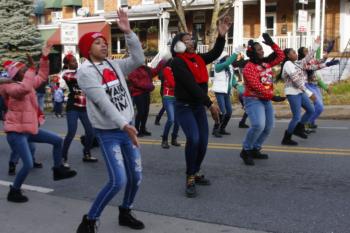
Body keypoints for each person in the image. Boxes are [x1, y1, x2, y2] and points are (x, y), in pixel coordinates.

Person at [76, 9, 145, 232]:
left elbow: (138, 59)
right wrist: (124, 125)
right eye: (98, 43)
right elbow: (103, 102)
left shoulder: (114, 65)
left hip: (128, 128)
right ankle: (90, 220)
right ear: (87, 49)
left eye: (104, 42)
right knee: (118, 181)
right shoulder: (85, 72)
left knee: (136, 177)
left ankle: (125, 211)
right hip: (110, 132)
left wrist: (128, 33)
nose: (104, 45)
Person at [0, 44, 77, 203]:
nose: (27, 70)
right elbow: (25, 88)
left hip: (29, 129)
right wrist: (31, 69)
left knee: (57, 140)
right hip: (16, 133)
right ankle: (14, 191)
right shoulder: (9, 87)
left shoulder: (24, 83)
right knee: (28, 164)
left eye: (25, 69)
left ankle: (57, 169)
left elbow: (42, 76)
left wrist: (44, 58)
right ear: (16, 74)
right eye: (23, 70)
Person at [170, 15, 232, 197]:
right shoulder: (177, 62)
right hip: (184, 107)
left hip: (198, 107)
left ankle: (196, 171)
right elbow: (191, 86)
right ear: (178, 45)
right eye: (186, 40)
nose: (191, 41)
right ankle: (190, 176)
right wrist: (210, 104)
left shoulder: (197, 58)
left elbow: (214, 54)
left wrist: (221, 36)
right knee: (194, 139)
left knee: (203, 142)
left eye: (191, 39)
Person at [240, 33, 285, 166]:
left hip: (265, 99)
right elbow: (257, 86)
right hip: (253, 99)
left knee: (269, 126)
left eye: (262, 48)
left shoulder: (266, 63)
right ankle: (246, 150)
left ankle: (255, 148)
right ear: (252, 52)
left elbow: (281, 56)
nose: (262, 50)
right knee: (258, 125)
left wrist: (272, 43)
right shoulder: (249, 68)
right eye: (259, 49)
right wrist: (273, 96)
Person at [61, 53, 98, 167]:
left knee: (91, 132)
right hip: (73, 106)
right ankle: (63, 157)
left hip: (84, 107)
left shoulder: (81, 71)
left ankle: (86, 153)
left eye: (76, 61)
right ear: (67, 64)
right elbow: (78, 77)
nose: (76, 63)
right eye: (72, 61)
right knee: (71, 133)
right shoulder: (66, 74)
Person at [297, 47, 339, 130]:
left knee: (318, 106)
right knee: (319, 107)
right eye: (306, 51)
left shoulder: (311, 60)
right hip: (307, 86)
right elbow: (315, 67)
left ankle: (310, 123)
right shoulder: (301, 63)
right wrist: (328, 64)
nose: (308, 52)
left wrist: (325, 58)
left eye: (308, 51)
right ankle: (305, 124)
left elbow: (319, 63)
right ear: (302, 54)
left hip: (315, 86)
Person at [128, 59, 165, 137]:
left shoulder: (145, 68)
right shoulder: (133, 69)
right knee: (141, 112)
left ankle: (142, 129)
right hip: (138, 93)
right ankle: (137, 130)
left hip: (146, 93)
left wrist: (161, 63)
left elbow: (155, 71)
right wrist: (148, 86)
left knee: (145, 112)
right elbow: (135, 82)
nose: (143, 60)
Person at [211, 51, 238, 137]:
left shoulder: (229, 66)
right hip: (220, 91)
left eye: (229, 56)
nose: (228, 57)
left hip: (227, 92)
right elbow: (227, 63)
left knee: (229, 112)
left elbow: (232, 78)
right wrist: (236, 53)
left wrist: (238, 86)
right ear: (222, 58)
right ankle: (215, 130)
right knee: (223, 112)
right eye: (227, 56)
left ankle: (222, 128)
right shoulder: (218, 66)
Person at [160, 58, 181, 148]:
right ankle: (164, 140)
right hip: (168, 97)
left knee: (178, 121)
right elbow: (173, 83)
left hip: (177, 98)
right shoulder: (167, 70)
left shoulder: (179, 70)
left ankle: (174, 139)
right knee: (171, 119)